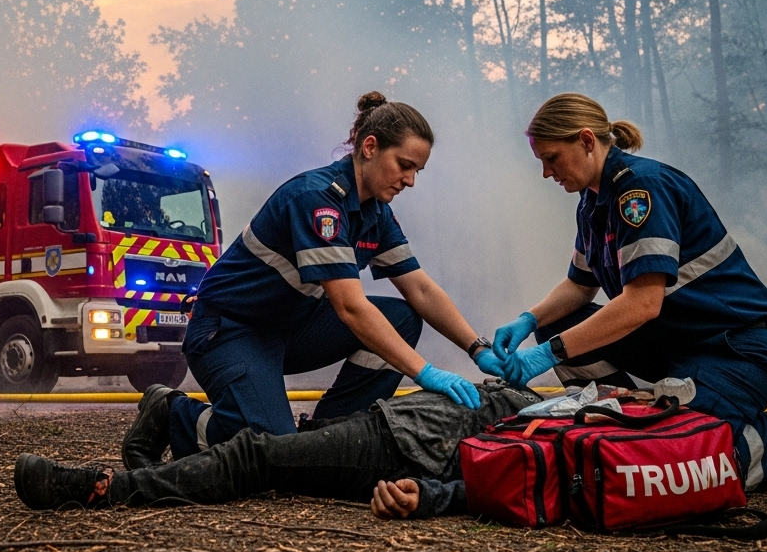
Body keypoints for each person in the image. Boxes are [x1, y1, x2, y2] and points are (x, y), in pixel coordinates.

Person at [473, 93, 767, 493]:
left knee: (669, 461)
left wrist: (548, 353)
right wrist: (529, 320)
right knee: (563, 329)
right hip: (679, 347)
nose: (545, 172)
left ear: (587, 141)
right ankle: (632, 419)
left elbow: (643, 304)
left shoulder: (641, 190)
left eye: (551, 158)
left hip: (738, 351)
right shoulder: (592, 202)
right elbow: (578, 285)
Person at [124, 92, 495, 469]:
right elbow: (350, 308)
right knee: (275, 450)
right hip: (230, 332)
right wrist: (425, 371)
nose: (410, 181)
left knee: (403, 316)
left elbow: (421, 290)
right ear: (370, 147)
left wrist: (478, 349)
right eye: (404, 165)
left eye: (417, 170)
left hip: (289, 327)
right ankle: (172, 414)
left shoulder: (376, 214)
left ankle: (327, 433)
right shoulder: (316, 200)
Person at [17, 379, 538, 515]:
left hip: (406, 451)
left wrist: (432, 496)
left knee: (257, 455)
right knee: (270, 445)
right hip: (395, 422)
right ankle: (167, 417)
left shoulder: (606, 442)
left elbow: (522, 483)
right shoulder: (596, 405)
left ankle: (102, 488)